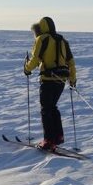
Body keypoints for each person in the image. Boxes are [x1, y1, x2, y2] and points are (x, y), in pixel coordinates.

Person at [23, 16, 77, 150]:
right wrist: (73, 79)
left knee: (46, 109)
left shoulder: (42, 39)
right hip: (61, 81)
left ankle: (48, 141)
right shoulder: (63, 40)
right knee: (52, 107)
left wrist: (26, 69)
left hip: (48, 80)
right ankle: (58, 137)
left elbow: (35, 59)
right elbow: (71, 62)